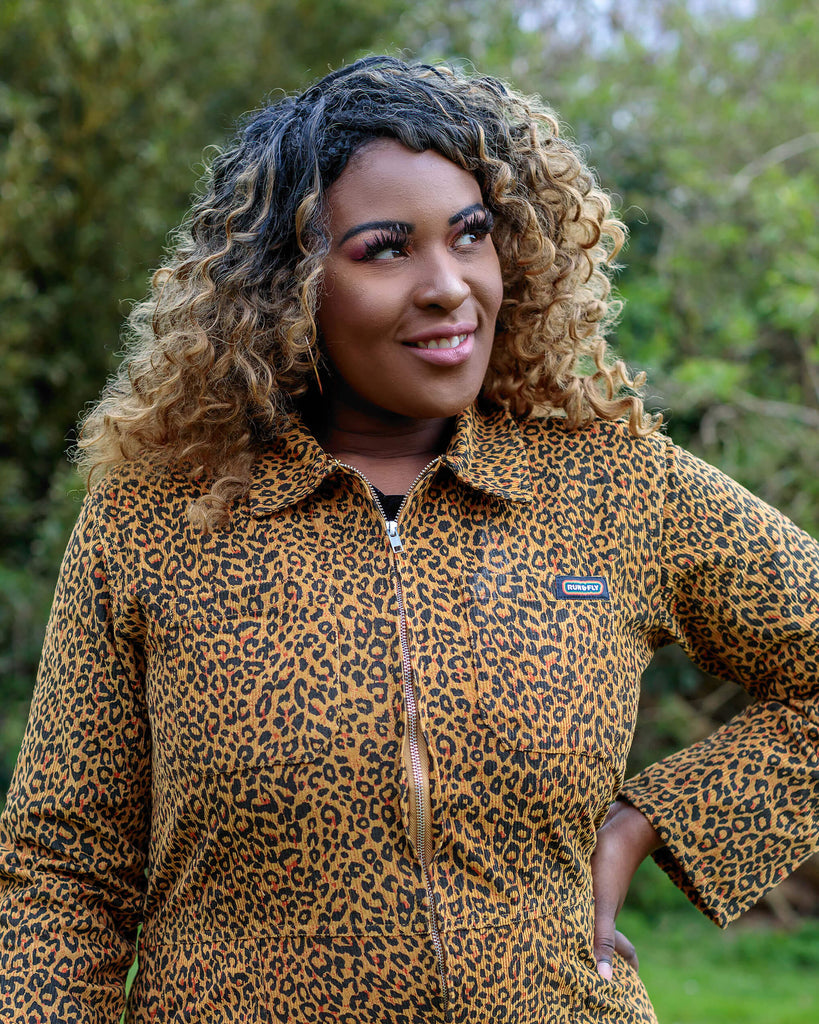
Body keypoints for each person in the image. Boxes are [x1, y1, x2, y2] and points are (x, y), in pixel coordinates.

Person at [0, 54, 816, 1024]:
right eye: (386, 249)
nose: (448, 286)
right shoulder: (160, 510)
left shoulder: (612, 485)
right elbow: (60, 872)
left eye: (471, 235)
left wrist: (652, 823)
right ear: (289, 285)